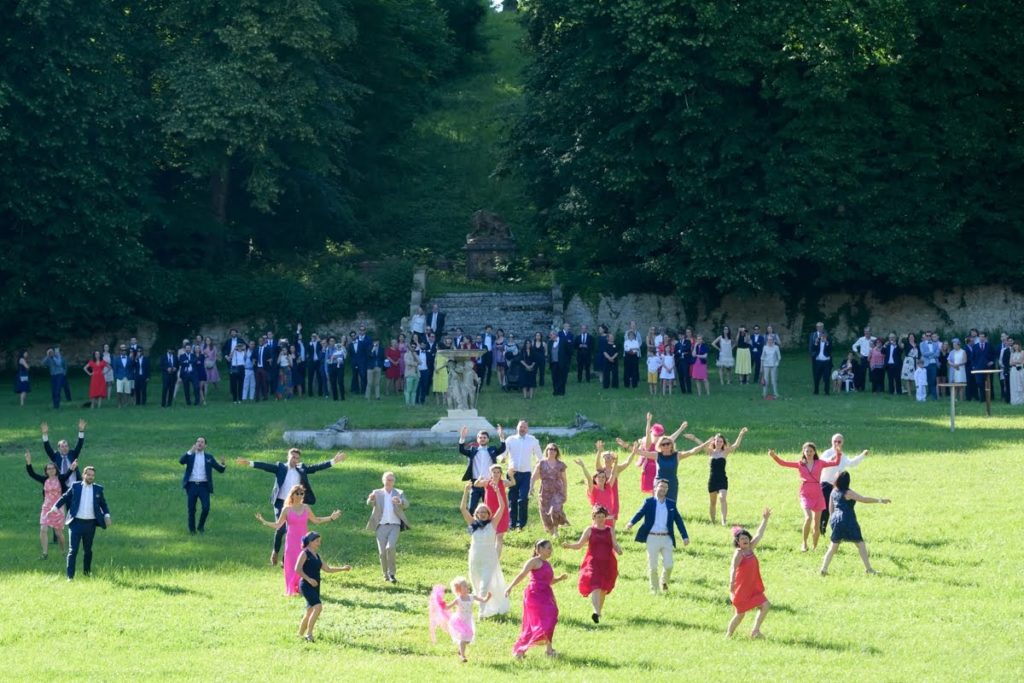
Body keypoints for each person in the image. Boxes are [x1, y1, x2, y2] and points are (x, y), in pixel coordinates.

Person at [236, 449, 347, 566]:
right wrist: (249, 463)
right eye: (293, 457)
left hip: (295, 503)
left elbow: (316, 467)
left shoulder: (301, 468)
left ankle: (286, 560)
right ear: (288, 457)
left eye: (297, 458)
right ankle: (275, 551)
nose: (295, 460)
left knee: (291, 530)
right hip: (280, 502)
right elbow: (265, 466)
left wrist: (333, 461)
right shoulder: (280, 467)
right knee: (281, 528)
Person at [256, 485, 341, 595]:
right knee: (291, 564)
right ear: (292, 495)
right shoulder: (286, 509)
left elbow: (316, 520)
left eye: (302, 493)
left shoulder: (306, 507)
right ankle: (291, 588)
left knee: (303, 564)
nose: (300, 495)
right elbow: (278, 525)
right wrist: (265, 521)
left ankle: (302, 586)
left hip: (303, 542)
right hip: (291, 542)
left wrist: (330, 517)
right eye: (298, 493)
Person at [769, 444, 841, 551]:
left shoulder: (820, 463)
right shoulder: (800, 464)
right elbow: (783, 463)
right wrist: (774, 456)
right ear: (803, 452)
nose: (809, 453)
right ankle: (804, 543)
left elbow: (835, 462)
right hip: (805, 494)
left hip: (818, 494)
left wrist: (838, 453)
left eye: (811, 451)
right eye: (807, 451)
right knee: (808, 517)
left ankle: (814, 547)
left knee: (817, 524)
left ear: (814, 452)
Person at [625, 478, 690, 593]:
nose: (663, 489)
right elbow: (640, 513)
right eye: (661, 486)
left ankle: (664, 581)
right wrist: (631, 523)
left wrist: (684, 536)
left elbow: (678, 520)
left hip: (666, 538)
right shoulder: (649, 502)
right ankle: (654, 589)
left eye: (666, 487)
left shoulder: (671, 504)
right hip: (652, 537)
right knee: (653, 566)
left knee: (669, 565)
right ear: (655, 488)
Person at [506, 539, 568, 659]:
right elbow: (522, 574)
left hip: (546, 594)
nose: (551, 550)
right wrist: (510, 587)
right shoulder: (534, 561)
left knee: (552, 616)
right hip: (534, 595)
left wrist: (559, 578)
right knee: (534, 623)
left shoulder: (547, 564)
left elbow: (549, 581)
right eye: (548, 548)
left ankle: (549, 650)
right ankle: (521, 651)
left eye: (551, 548)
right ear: (539, 549)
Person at [819, 472, 890, 575]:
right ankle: (869, 569)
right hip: (848, 520)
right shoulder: (848, 493)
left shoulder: (833, 491)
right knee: (860, 544)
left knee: (833, 546)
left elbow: (831, 508)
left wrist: (833, 520)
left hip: (836, 520)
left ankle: (824, 569)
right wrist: (880, 500)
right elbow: (864, 499)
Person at [560, 505, 622, 624]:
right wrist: (568, 545)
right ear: (593, 517)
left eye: (602, 516)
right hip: (593, 562)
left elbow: (615, 544)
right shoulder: (589, 530)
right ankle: (595, 610)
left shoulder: (610, 530)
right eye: (598, 516)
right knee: (595, 585)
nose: (600, 519)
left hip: (608, 562)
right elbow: (579, 545)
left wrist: (619, 549)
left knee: (603, 588)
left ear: (605, 517)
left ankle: (598, 612)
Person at [49, 465, 112, 580]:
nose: (90, 477)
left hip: (91, 524)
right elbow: (64, 497)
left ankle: (87, 574)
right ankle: (70, 577)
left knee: (88, 550)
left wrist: (107, 516)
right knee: (73, 550)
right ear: (83, 475)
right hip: (76, 523)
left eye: (92, 475)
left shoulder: (98, 489)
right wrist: (54, 508)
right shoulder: (75, 486)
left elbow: (103, 504)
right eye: (88, 474)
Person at [459, 481, 509, 618]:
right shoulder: (473, 524)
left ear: (488, 513)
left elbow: (502, 507)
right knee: (476, 583)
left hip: (489, 558)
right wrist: (466, 491)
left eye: (484, 512)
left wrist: (498, 491)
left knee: (484, 586)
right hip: (475, 558)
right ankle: (486, 606)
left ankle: (481, 613)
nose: (482, 514)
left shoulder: (492, 524)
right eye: (479, 512)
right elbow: (463, 509)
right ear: (476, 514)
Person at [684, 428, 749, 525]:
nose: (719, 442)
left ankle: (724, 521)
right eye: (717, 441)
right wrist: (693, 438)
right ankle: (713, 521)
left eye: (721, 441)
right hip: (712, 480)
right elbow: (702, 445)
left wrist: (741, 434)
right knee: (713, 502)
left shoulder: (725, 452)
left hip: (722, 479)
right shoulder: (710, 451)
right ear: (714, 441)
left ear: (723, 443)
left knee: (722, 498)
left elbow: (736, 445)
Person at [295, 531, 351, 642]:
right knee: (318, 607)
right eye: (317, 541)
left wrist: (343, 569)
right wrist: (309, 579)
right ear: (310, 542)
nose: (319, 543)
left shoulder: (317, 555)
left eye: (319, 541)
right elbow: (297, 569)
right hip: (306, 585)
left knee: (310, 610)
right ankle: (309, 634)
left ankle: (300, 634)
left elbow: (327, 569)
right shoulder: (304, 553)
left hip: (316, 585)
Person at [727, 508, 772, 638]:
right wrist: (731, 585)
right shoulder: (739, 553)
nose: (745, 540)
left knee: (765, 605)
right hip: (741, 589)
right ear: (737, 542)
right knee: (740, 614)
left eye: (746, 538)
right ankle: (728, 635)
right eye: (742, 539)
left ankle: (755, 631)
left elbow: (759, 534)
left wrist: (765, 519)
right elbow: (732, 568)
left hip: (753, 588)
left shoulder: (750, 548)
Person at [25, 450, 75, 558]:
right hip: (46, 507)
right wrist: (29, 462)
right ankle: (45, 553)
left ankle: (63, 551)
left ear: (56, 470)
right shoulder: (44, 480)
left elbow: (67, 474)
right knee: (43, 529)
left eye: (52, 468)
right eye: (48, 469)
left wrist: (72, 467)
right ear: (46, 471)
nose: (50, 470)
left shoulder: (60, 479)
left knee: (58, 533)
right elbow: (32, 474)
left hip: (58, 507)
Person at [430, 578, 492, 662]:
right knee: (463, 638)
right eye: (464, 586)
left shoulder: (471, 597)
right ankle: (462, 656)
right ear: (459, 590)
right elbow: (448, 607)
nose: (467, 587)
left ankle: (460, 649)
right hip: (459, 621)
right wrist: (442, 604)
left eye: (467, 585)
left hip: (468, 620)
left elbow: (483, 600)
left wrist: (487, 597)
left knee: (469, 638)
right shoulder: (458, 600)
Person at [819, 433, 868, 535]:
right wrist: (833, 458)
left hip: (837, 487)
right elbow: (821, 462)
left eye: (839, 441)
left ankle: (835, 528)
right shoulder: (827, 453)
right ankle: (821, 529)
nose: (837, 443)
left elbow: (852, 463)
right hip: (826, 484)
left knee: (836, 508)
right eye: (835, 441)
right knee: (825, 509)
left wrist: (862, 455)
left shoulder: (843, 456)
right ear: (831, 442)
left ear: (842, 443)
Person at [366, 471, 410, 583]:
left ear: (394, 482)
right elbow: (369, 503)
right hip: (380, 526)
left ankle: (392, 574)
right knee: (382, 552)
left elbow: (406, 504)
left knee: (390, 547)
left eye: (391, 480)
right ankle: (385, 574)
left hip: (394, 525)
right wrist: (371, 499)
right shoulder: (377, 492)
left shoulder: (398, 492)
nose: (389, 482)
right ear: (383, 481)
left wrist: (400, 501)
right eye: (387, 479)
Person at [179, 437, 227, 535]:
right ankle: (192, 531)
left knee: (206, 507)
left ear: (205, 445)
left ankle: (200, 527)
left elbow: (220, 470)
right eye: (198, 441)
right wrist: (189, 451)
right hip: (192, 485)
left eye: (202, 442)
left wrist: (222, 463)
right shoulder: (190, 455)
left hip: (204, 486)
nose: (199, 443)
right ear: (195, 444)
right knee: (191, 509)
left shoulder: (208, 457)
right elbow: (181, 461)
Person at [644, 435, 711, 504]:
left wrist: (705, 444)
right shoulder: (657, 455)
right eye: (663, 444)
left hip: (672, 483)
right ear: (660, 446)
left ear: (671, 445)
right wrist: (635, 450)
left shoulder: (677, 455)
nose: (666, 446)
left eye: (668, 444)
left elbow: (692, 451)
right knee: (658, 504)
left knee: (671, 504)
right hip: (659, 483)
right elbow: (643, 453)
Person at [502, 420, 541, 531]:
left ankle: (521, 524)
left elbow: (539, 457)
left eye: (524, 427)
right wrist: (502, 458)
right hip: (512, 473)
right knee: (512, 499)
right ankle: (512, 524)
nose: (522, 429)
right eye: (520, 427)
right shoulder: (510, 440)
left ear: (527, 429)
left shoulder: (533, 440)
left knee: (523, 499)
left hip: (526, 474)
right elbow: (503, 454)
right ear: (517, 428)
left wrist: (539, 469)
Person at [458, 425, 506, 514]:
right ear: (477, 439)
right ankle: (473, 525)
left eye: (484, 437)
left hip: (488, 483)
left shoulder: (492, 450)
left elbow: (502, 449)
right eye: (480, 437)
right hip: (475, 482)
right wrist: (462, 438)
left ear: (488, 439)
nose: (482, 439)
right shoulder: (473, 450)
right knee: (472, 507)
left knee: (488, 508)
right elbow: (461, 450)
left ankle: (487, 526)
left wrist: (502, 438)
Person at [531, 443, 570, 536]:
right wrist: (531, 487)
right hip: (545, 491)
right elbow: (534, 476)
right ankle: (552, 530)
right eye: (550, 449)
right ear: (547, 451)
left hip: (557, 491)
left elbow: (564, 480)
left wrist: (565, 492)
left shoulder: (561, 465)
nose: (552, 451)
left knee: (555, 509)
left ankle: (556, 531)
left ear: (557, 452)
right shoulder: (541, 463)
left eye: (554, 449)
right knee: (545, 512)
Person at [573, 459, 620, 526]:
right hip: (598, 520)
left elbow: (613, 474)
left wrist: (615, 463)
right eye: (599, 477)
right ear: (595, 479)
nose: (601, 479)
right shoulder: (594, 490)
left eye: (603, 477)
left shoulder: (608, 487)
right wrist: (583, 466)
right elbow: (589, 479)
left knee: (609, 535)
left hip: (609, 519)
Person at [42, 419, 86, 487]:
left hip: (75, 484)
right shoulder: (55, 456)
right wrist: (45, 434)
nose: (65, 448)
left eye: (66, 446)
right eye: (62, 447)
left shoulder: (73, 454)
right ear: (59, 448)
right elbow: (47, 448)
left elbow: (79, 444)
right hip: (60, 484)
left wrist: (81, 431)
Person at [810, 331, 833, 395]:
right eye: (821, 336)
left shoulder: (829, 342)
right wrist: (816, 342)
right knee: (817, 377)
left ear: (826, 336)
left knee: (826, 377)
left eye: (824, 336)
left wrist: (826, 342)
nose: (822, 337)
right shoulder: (817, 341)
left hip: (826, 362)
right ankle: (816, 391)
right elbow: (813, 349)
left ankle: (827, 392)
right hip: (818, 362)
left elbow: (830, 349)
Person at [851, 326, 873, 391]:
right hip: (863, 358)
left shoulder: (874, 339)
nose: (866, 333)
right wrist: (858, 354)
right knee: (862, 373)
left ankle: (874, 388)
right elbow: (854, 346)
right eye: (865, 332)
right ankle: (862, 388)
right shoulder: (861, 339)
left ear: (871, 332)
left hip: (872, 358)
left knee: (872, 373)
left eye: (868, 332)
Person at [1009, 341, 1024, 405]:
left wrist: (1014, 362)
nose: (1015, 346)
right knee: (1014, 384)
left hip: (1020, 370)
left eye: (1016, 345)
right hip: (1013, 370)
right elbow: (1010, 363)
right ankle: (1014, 400)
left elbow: (1021, 361)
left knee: (1020, 384)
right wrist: (1016, 362)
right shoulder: (1012, 353)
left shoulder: (1022, 352)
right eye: (1014, 345)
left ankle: (1021, 400)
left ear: (1019, 345)